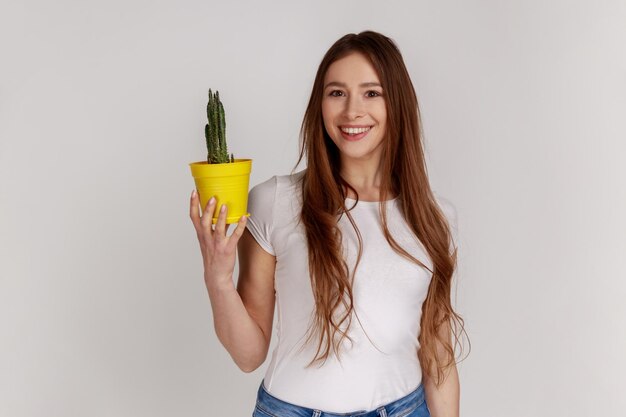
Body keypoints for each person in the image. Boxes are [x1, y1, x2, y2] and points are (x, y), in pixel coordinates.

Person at [189, 30, 467, 417]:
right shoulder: (275, 202)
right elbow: (248, 355)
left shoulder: (435, 218)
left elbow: (439, 355)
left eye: (372, 93)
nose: (352, 111)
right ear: (319, 105)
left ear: (397, 104)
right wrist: (217, 277)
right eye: (337, 93)